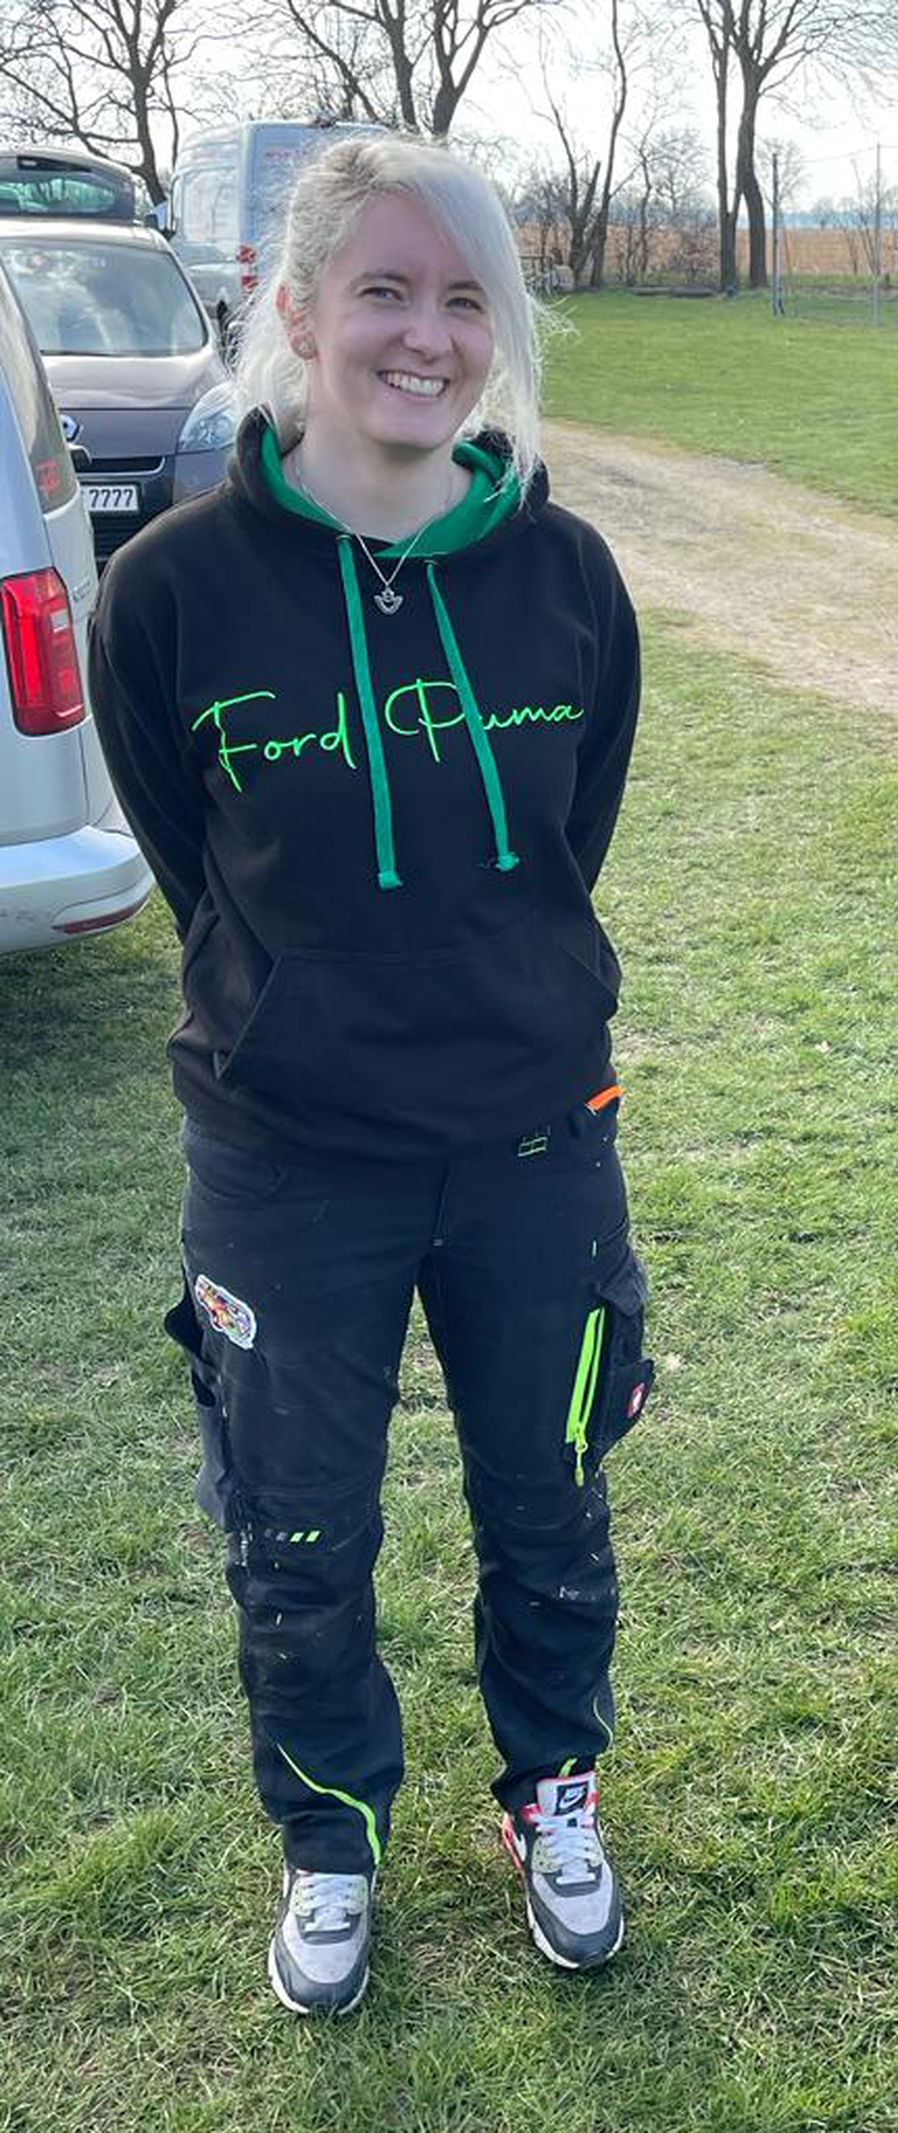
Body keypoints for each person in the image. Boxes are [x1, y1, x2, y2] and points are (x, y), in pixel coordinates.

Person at [89, 135, 652, 2013]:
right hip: (286, 1159)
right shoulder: (170, 590)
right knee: (298, 1531)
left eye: (465, 298)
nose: (427, 335)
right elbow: (195, 862)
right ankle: (330, 1833)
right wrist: (305, 1009)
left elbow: (564, 847)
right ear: (297, 307)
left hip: (533, 1143)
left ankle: (553, 1794)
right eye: (387, 290)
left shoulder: (568, 576)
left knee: (549, 1503)